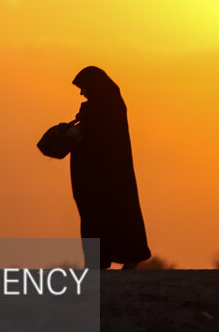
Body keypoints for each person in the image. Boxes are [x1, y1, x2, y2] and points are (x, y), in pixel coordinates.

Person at [62, 66, 152, 270]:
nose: (81, 92)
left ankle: (116, 258)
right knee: (99, 217)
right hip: (97, 177)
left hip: (105, 178)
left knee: (112, 216)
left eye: (83, 87)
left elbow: (99, 135)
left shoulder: (106, 109)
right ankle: (102, 261)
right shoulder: (103, 107)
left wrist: (76, 131)